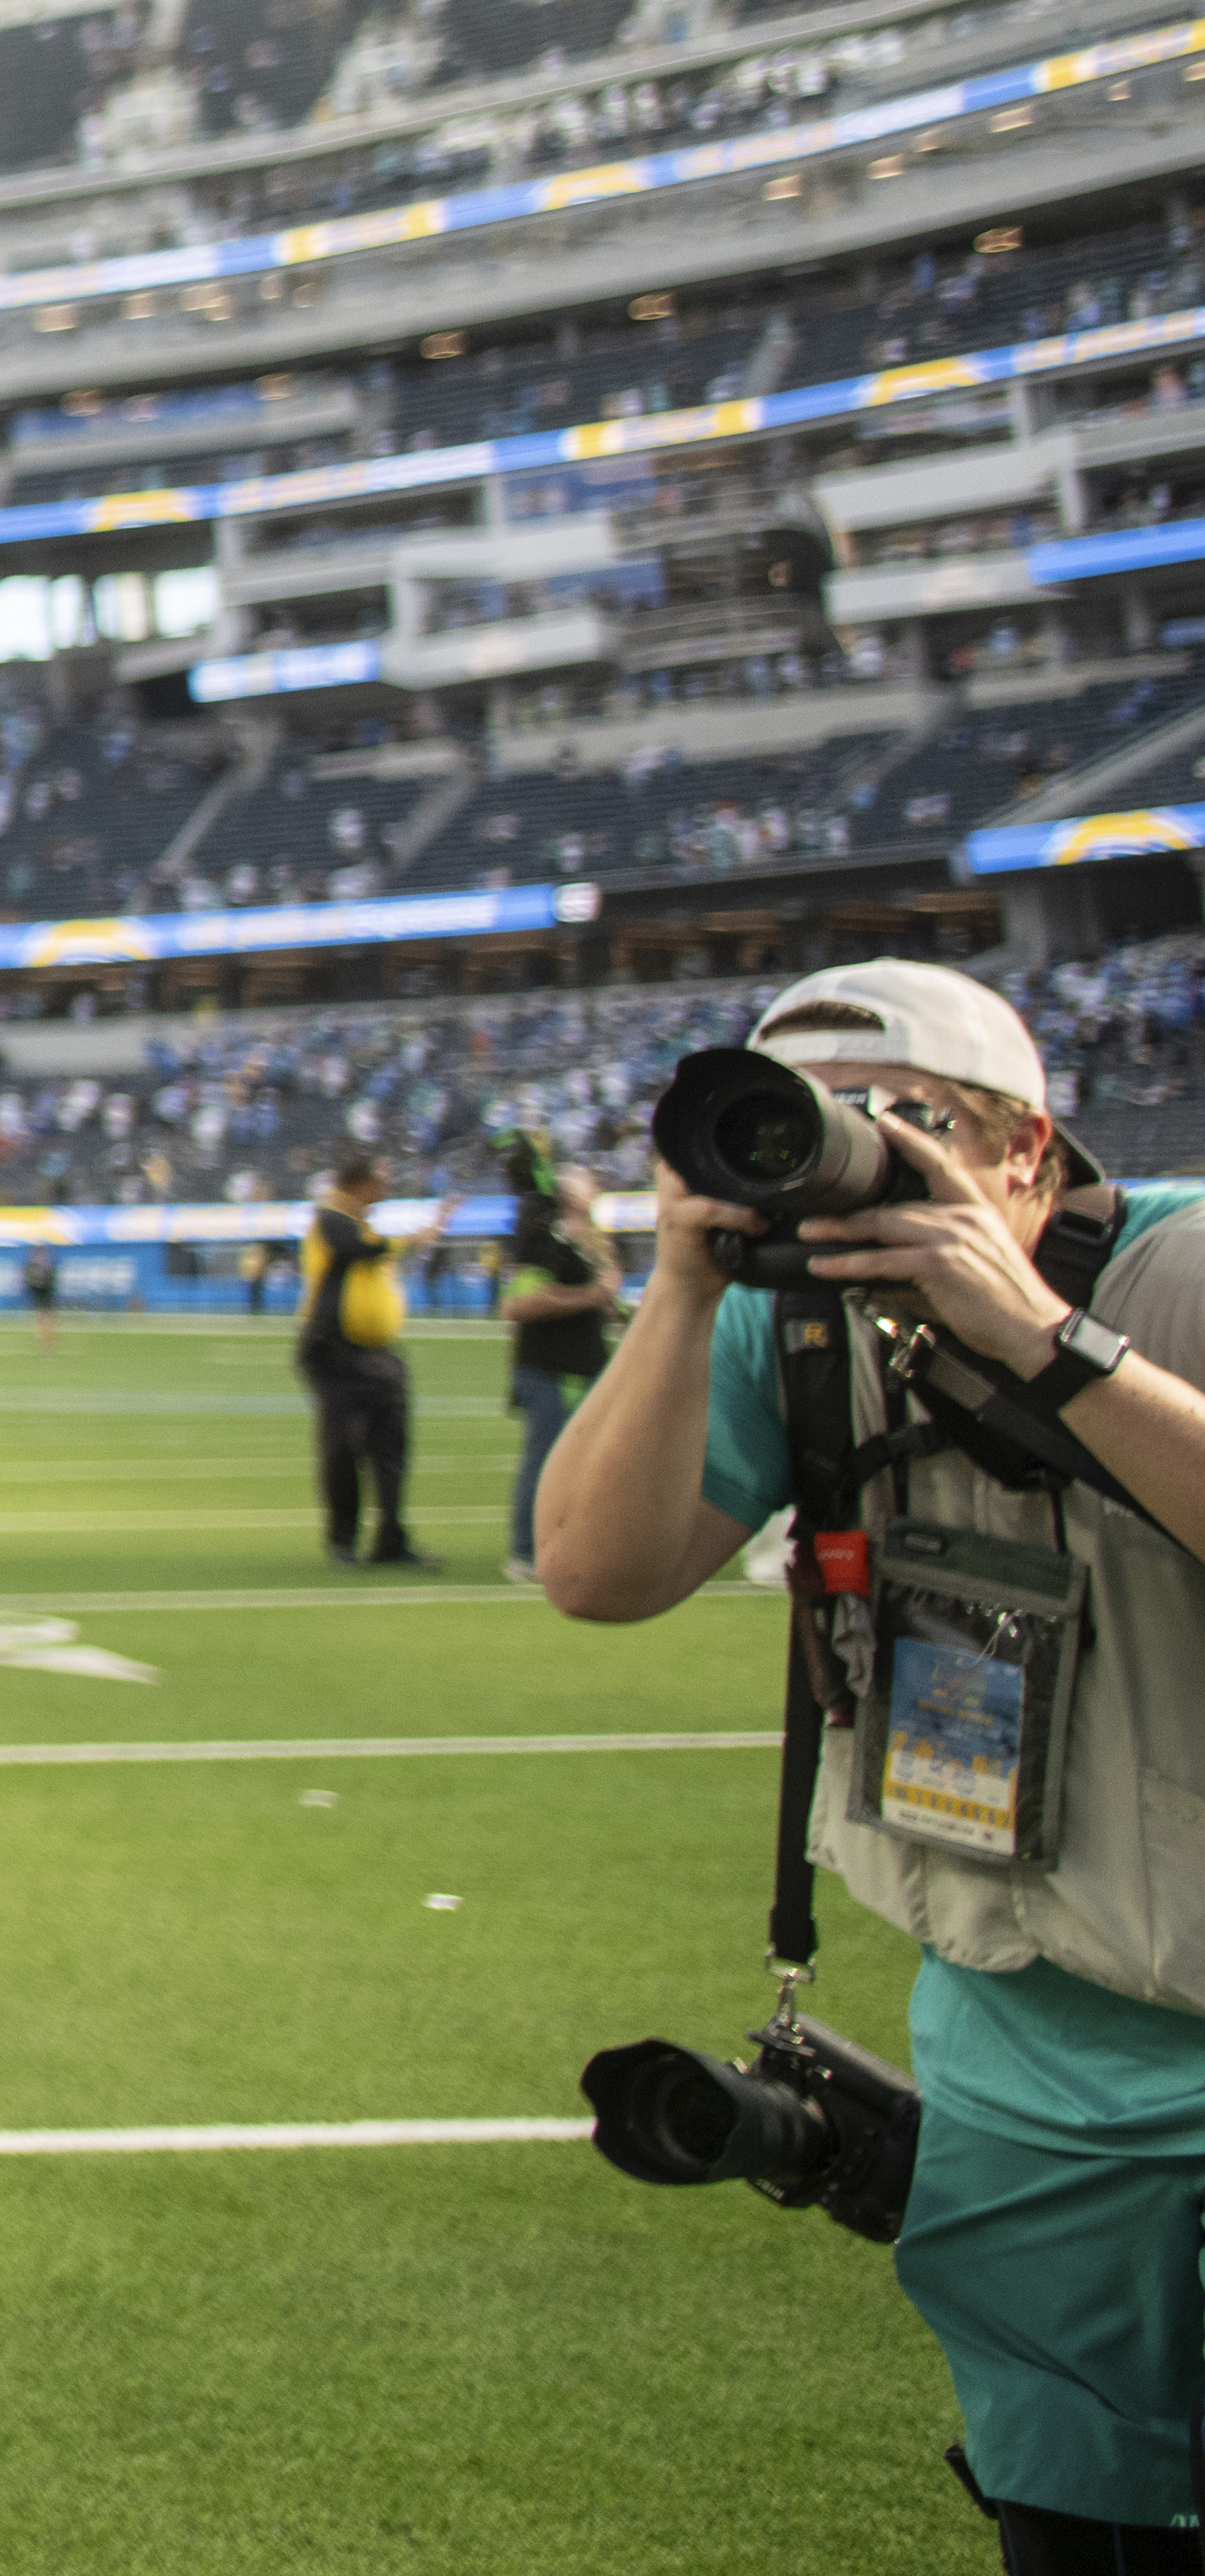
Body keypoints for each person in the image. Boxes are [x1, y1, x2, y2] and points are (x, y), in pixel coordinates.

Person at [541, 960, 1205, 2569]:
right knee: (1073, 2514)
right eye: (780, 1126)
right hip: (1011, 2006)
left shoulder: (1176, 1268)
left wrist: (1038, 1338)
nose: (827, 1160)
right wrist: (685, 1284)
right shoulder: (793, 1322)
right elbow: (593, 1566)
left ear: (1027, 1151)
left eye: (898, 1125)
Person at [498, 1143, 619, 1586]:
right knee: (544, 1458)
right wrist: (592, 1297)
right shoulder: (541, 1239)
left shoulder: (583, 1239)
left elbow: (606, 1287)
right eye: (587, 1181)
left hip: (584, 1366)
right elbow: (516, 1305)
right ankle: (525, 1551)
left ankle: (573, 1543)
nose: (595, 1186)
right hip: (549, 1368)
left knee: (590, 1461)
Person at [302, 1155, 429, 1568]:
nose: (386, 1191)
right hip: (338, 1352)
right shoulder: (332, 1217)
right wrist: (410, 1239)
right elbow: (355, 1248)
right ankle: (343, 1542)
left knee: (391, 1448)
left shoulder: (359, 1223)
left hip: (377, 1355)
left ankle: (390, 1539)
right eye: (381, 1182)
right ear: (361, 1184)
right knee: (343, 1448)